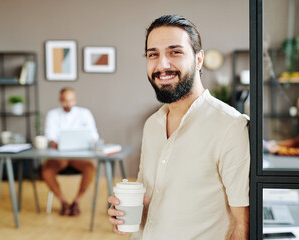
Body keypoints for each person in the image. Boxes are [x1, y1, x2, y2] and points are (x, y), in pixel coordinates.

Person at [107, 15, 250, 239]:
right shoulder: (152, 125)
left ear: (199, 59)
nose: (162, 65)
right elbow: (152, 207)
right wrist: (127, 213)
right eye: (153, 54)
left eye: (175, 52)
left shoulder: (230, 127)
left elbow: (243, 226)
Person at [41, 87, 99, 216]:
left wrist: (90, 141)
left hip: (80, 157)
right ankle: (64, 203)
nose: (69, 104)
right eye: (66, 100)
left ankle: (76, 202)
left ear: (75, 100)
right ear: (60, 100)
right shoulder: (52, 114)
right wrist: (58, 144)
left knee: (90, 168)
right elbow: (51, 137)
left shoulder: (85, 113)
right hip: (59, 157)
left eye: (71, 100)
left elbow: (94, 136)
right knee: (46, 171)